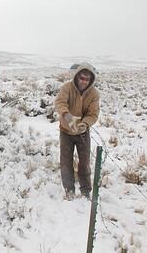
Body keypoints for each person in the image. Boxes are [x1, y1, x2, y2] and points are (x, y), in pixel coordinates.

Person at [54, 62, 100, 199]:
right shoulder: (67, 87)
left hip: (83, 132)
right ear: (77, 76)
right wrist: (67, 116)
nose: (84, 81)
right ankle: (69, 190)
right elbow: (60, 103)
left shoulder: (94, 94)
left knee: (84, 162)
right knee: (66, 162)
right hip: (66, 131)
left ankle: (86, 191)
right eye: (82, 78)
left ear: (91, 80)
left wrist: (85, 124)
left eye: (87, 79)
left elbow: (93, 114)